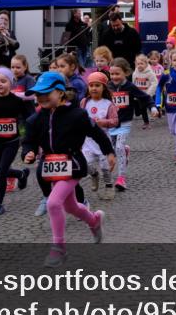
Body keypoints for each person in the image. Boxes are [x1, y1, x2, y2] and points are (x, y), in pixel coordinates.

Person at [22, 71, 111, 267]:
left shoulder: (77, 115)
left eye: (47, 93)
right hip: (51, 168)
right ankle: (94, 220)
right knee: (69, 206)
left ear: (61, 93)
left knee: (53, 203)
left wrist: (109, 153)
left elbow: (96, 133)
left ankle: (59, 248)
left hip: (73, 165)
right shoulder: (35, 120)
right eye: (38, 94)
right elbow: (28, 141)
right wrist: (27, 153)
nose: (41, 97)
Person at [0, 67, 32, 217]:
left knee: (1, 172)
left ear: (11, 83)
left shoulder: (17, 101)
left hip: (12, 142)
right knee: (2, 170)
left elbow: (28, 116)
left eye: (3, 81)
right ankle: (22, 174)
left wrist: (27, 127)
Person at [107, 58, 156, 191]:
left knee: (119, 147)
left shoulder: (130, 87)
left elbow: (144, 97)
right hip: (111, 124)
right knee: (112, 149)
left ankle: (121, 178)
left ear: (126, 73)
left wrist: (152, 107)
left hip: (125, 122)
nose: (114, 77)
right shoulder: (108, 87)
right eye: (112, 74)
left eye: (117, 74)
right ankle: (125, 150)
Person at [81, 71, 119, 201]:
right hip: (87, 141)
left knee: (105, 166)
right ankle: (94, 174)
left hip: (102, 140)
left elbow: (115, 121)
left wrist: (102, 122)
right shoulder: (84, 102)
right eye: (91, 85)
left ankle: (109, 186)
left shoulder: (108, 104)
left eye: (97, 85)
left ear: (103, 87)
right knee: (84, 164)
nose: (94, 88)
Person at [132, 54, 158, 129]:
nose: (139, 65)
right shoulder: (135, 72)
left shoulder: (150, 73)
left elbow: (154, 83)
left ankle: (154, 112)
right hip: (139, 95)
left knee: (150, 105)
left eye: (141, 64)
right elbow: (133, 83)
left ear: (146, 64)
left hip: (147, 94)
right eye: (138, 64)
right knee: (142, 109)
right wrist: (134, 93)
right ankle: (146, 122)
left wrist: (149, 93)